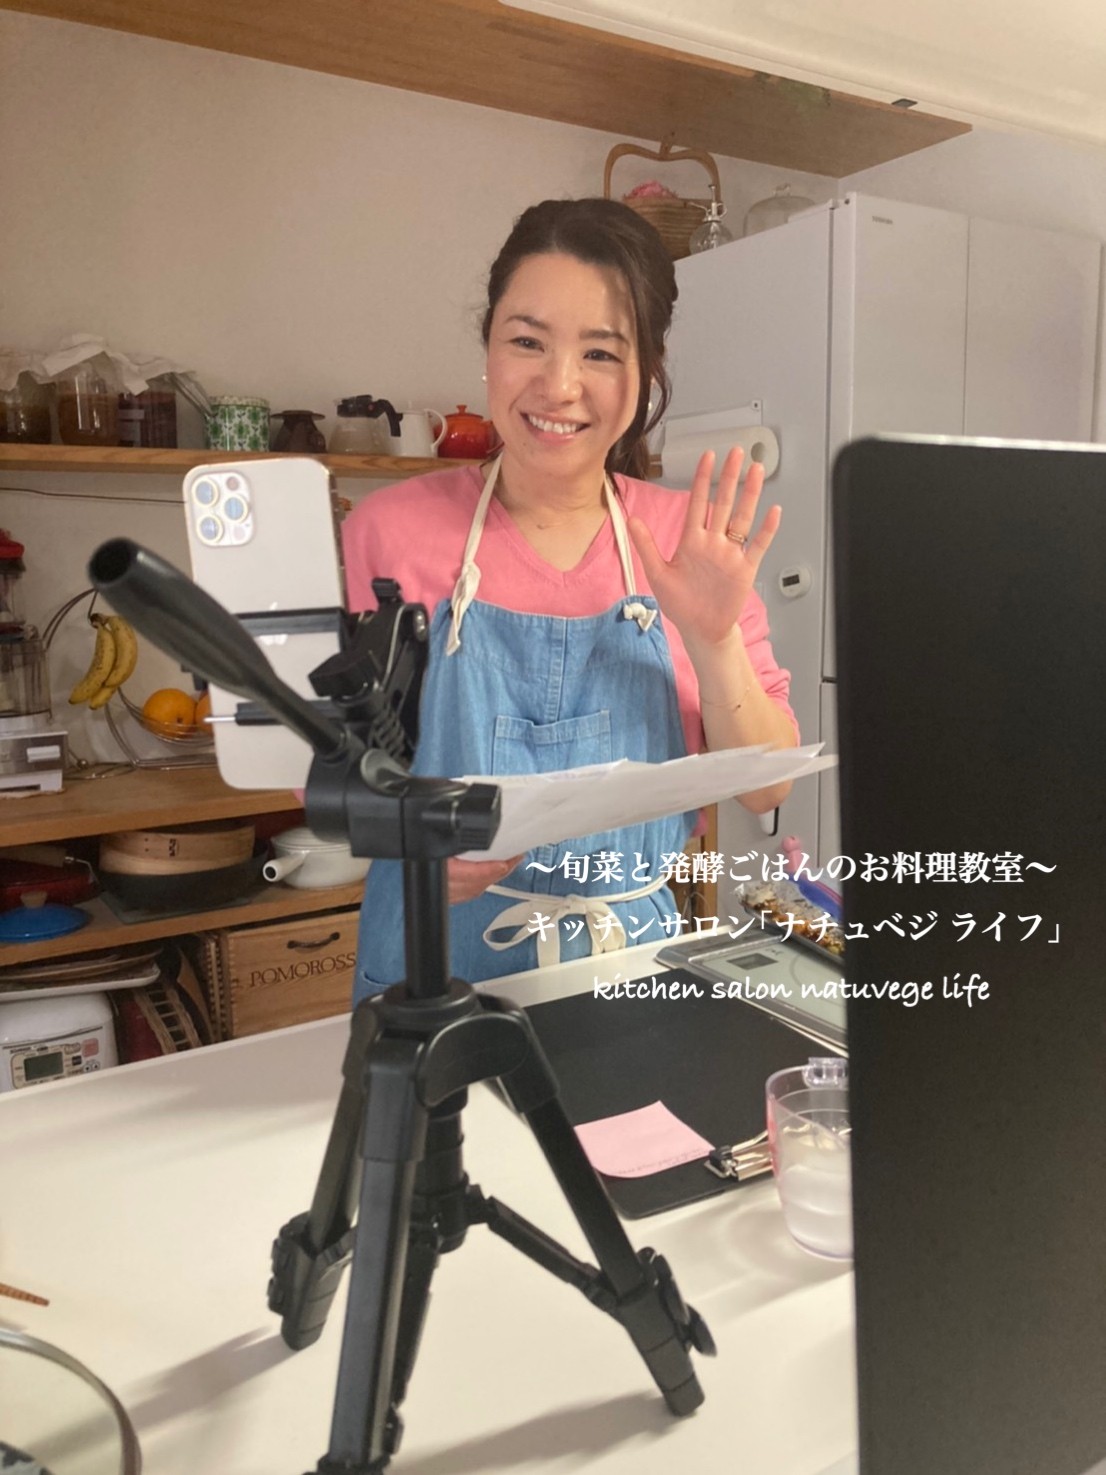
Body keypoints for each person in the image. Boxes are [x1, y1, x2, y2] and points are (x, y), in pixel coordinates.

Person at [342, 197, 798, 997]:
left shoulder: (683, 540)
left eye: (600, 352)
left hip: (626, 964)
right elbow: (328, 766)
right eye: (527, 341)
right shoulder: (391, 531)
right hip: (429, 963)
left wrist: (713, 636)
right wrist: (406, 841)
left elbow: (767, 786)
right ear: (488, 348)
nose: (559, 386)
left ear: (646, 372)